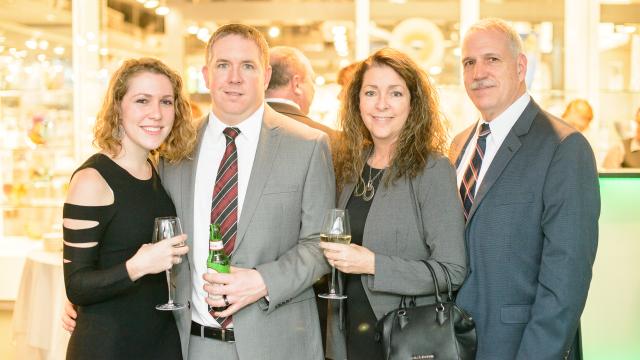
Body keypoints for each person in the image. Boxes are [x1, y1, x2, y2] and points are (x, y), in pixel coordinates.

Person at [159, 24, 334, 359]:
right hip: (194, 344)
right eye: (223, 65)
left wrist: (263, 280)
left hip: (280, 344)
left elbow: (321, 244)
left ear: (266, 76)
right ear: (207, 75)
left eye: (248, 66)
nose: (234, 78)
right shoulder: (174, 150)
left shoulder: (308, 146)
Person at [449, 18, 600, 360]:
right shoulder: (458, 146)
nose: (478, 72)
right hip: (454, 345)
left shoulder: (564, 147)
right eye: (468, 62)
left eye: (492, 59)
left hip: (522, 348)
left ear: (520, 66)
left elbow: (567, 278)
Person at [324, 48, 467, 360]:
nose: (381, 105)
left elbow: (452, 270)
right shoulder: (351, 165)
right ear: (357, 101)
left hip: (402, 338)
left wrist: (373, 264)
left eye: (396, 93)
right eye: (371, 92)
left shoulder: (432, 169)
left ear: (413, 103)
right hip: (346, 333)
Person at [62, 57, 195, 359]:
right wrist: (139, 265)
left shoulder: (156, 170)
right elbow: (77, 285)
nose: (156, 114)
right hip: (109, 345)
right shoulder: (92, 180)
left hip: (160, 339)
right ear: (118, 108)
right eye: (142, 100)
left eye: (166, 101)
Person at [266, 45, 337, 140]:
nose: (313, 89)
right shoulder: (330, 138)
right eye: (311, 80)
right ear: (297, 84)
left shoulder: (242, 129)